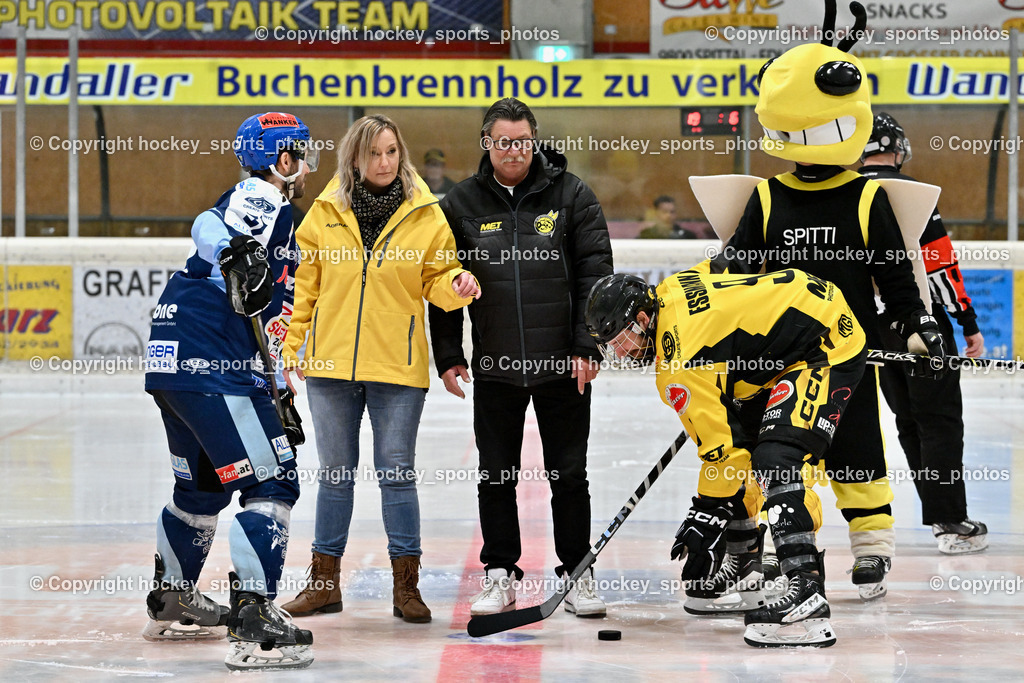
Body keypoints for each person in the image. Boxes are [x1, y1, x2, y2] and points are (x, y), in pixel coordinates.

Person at [715, 18, 946, 601]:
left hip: (849, 352)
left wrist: (916, 324)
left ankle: (872, 548)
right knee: (786, 451)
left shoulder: (869, 197)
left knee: (857, 447)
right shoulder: (766, 197)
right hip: (782, 359)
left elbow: (895, 277)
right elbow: (737, 274)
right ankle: (797, 548)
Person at [585, 263, 867, 647]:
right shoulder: (670, 287)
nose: (620, 353)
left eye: (621, 340)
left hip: (822, 344)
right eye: (609, 347)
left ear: (642, 318)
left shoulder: (679, 367)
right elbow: (724, 266)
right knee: (744, 450)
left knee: (776, 461)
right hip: (782, 342)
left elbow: (724, 456)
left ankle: (807, 590)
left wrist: (705, 513)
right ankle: (745, 566)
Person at [279, 114, 480, 625]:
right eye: (375, 153)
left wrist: (455, 285)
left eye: (392, 151)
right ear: (355, 158)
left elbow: (437, 276)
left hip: (396, 366)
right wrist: (294, 345)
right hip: (331, 365)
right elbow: (306, 288)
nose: (385, 162)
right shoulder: (323, 212)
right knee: (336, 476)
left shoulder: (426, 214)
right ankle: (323, 585)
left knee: (396, 475)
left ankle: (406, 589)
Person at [143, 112, 317, 671]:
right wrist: (231, 251)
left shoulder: (264, 207)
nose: (307, 163)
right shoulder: (266, 198)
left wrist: (278, 395)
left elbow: (262, 320)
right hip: (209, 356)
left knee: (199, 488)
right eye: (300, 152)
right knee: (273, 479)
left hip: (175, 353)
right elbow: (207, 223)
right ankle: (254, 622)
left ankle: (172, 598)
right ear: (281, 160)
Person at [428, 97, 614, 618]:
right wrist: (448, 354)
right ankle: (499, 574)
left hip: (563, 366)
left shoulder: (573, 195)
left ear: (535, 141)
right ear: (487, 144)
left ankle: (577, 574)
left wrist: (587, 345)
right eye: (503, 141)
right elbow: (443, 283)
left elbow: (595, 278)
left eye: (522, 141)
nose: (514, 151)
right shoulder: (460, 204)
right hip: (496, 368)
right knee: (496, 475)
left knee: (569, 476)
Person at [858, 112, 988, 554]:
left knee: (908, 420)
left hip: (874, 332)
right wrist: (967, 323)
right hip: (922, 325)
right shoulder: (913, 193)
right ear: (896, 147)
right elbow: (941, 266)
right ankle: (950, 522)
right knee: (940, 421)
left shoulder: (847, 193)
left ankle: (937, 516)